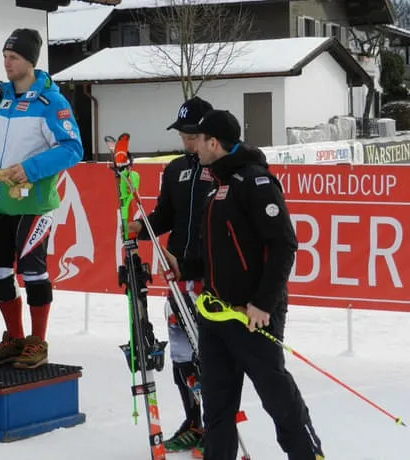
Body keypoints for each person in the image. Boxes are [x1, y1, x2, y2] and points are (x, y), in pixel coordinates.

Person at [171, 109, 324, 460]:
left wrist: (264, 303)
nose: (194, 149)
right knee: (217, 408)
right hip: (216, 315)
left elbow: (284, 244)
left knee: (278, 400)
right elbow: (222, 252)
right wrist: (186, 267)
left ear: (214, 143)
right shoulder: (218, 185)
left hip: (251, 315)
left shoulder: (255, 181)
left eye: (200, 141)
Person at [0, 28, 83, 369]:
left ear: (30, 62)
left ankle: (38, 341)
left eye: (14, 58)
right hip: (0, 202)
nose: (7, 64)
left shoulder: (51, 101)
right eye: (5, 57)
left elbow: (73, 149)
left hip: (34, 204)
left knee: (33, 272)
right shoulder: (2, 97)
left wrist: (31, 168)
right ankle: (15, 337)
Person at [128, 96, 214, 456]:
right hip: (177, 277)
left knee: (209, 352)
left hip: (211, 279)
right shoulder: (176, 168)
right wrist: (139, 227)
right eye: (182, 134)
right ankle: (192, 419)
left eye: (192, 134)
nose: (187, 141)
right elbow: (164, 215)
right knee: (181, 351)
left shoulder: (222, 168)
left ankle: (216, 425)